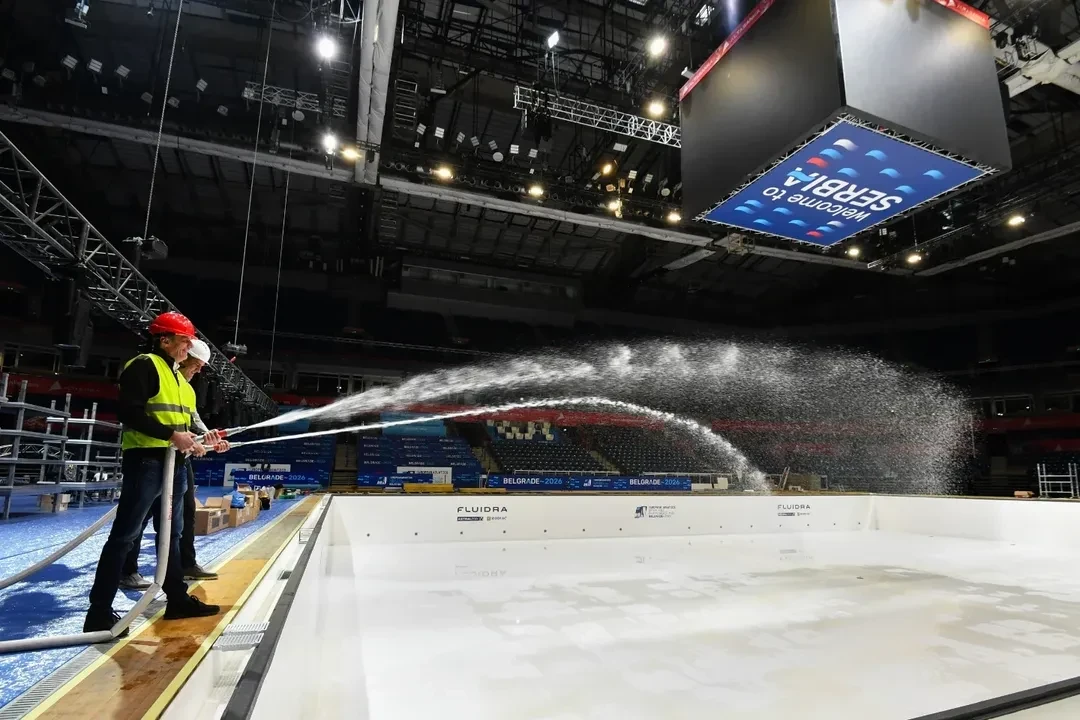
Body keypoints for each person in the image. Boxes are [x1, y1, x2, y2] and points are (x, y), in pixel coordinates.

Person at [84, 312, 220, 637]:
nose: (189, 347)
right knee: (125, 535)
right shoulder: (145, 365)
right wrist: (173, 437)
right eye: (184, 340)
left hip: (171, 463)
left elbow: (181, 425)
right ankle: (98, 612)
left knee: (170, 535)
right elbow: (128, 412)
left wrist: (200, 442)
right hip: (146, 461)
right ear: (165, 339)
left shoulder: (176, 376)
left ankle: (176, 599)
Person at [119, 338, 229, 589]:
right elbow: (139, 415)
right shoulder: (153, 370)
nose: (199, 370)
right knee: (140, 517)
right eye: (197, 365)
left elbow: (193, 424)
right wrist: (181, 438)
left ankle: (183, 567)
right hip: (148, 456)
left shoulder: (187, 388)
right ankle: (127, 570)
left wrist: (212, 441)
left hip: (178, 460)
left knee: (183, 516)